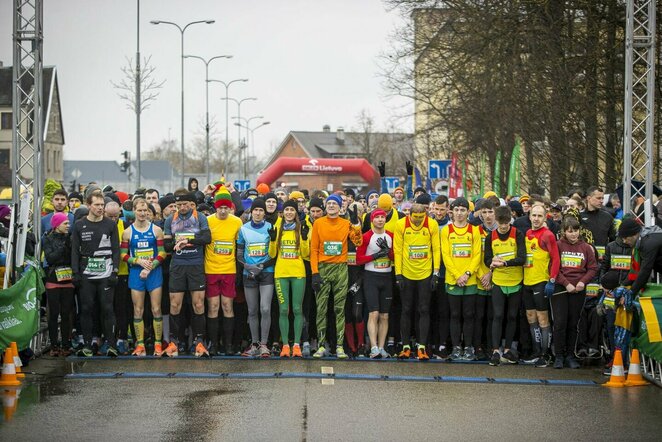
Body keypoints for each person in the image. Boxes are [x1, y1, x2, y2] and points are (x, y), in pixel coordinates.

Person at [310, 194, 363, 359]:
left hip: (341, 269)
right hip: (323, 269)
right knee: (321, 309)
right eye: (329, 203)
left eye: (335, 203)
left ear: (340, 207)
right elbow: (314, 250)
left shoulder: (346, 223)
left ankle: (340, 346)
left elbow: (358, 242)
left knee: (339, 310)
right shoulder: (318, 223)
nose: (332, 205)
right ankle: (321, 346)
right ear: (326, 206)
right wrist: (315, 273)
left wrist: (355, 224)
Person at [71, 190, 120, 357]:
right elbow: (75, 252)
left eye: (102, 205)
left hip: (106, 273)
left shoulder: (110, 224)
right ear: (88, 205)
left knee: (107, 308)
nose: (100, 208)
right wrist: (75, 272)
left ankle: (112, 345)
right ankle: (86, 344)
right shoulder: (79, 224)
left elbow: (116, 250)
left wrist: (115, 271)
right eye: (97, 205)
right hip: (86, 273)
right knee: (86, 309)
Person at [163, 189, 211, 357]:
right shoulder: (170, 219)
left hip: (196, 265)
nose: (182, 207)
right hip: (178, 266)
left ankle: (199, 341)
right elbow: (167, 247)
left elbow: (207, 239)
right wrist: (178, 242)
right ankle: (174, 342)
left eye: (184, 204)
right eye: (178, 204)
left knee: (198, 304)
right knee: (175, 304)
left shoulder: (200, 217)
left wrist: (187, 240)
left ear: (191, 204)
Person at [120, 198, 167, 357]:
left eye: (145, 211)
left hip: (153, 273)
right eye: (139, 210)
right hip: (136, 273)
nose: (142, 213)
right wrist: (138, 261)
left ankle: (158, 344)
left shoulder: (156, 230)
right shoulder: (127, 232)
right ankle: (140, 345)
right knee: (138, 310)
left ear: (149, 212)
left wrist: (150, 266)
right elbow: (123, 255)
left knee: (156, 309)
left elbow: (162, 253)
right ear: (134, 211)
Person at [393, 202, 440, 360]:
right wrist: (398, 274)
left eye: (421, 218)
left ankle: (422, 346)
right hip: (407, 273)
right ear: (409, 215)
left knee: (424, 309)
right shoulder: (401, 225)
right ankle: (406, 346)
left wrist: (436, 273)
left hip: (425, 274)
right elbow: (397, 250)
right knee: (406, 309)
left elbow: (436, 249)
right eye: (415, 218)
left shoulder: (431, 224)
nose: (418, 221)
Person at [551, 216, 598, 368]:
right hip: (561, 288)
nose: (573, 234)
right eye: (570, 231)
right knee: (560, 323)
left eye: (575, 231)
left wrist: (582, 282)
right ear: (564, 232)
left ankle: (570, 355)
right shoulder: (558, 245)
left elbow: (592, 268)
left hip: (578, 289)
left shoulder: (586, 248)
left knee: (573, 324)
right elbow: (553, 268)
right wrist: (566, 284)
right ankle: (558, 356)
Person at [441, 197, 482, 360]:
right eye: (456, 210)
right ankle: (457, 347)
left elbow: (477, 254)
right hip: (453, 280)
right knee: (455, 314)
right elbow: (446, 255)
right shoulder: (446, 231)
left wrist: (467, 274)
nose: (459, 213)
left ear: (468, 212)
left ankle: (469, 347)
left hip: (470, 280)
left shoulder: (474, 231)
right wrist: (457, 275)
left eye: (462, 210)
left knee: (469, 314)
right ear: (452, 212)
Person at [204, 186, 244, 356]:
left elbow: (240, 246)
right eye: (220, 207)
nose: (222, 211)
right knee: (213, 307)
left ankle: (228, 344)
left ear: (230, 207)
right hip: (211, 269)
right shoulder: (208, 221)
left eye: (226, 207)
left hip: (229, 270)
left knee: (227, 306)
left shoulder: (236, 222)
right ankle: (213, 344)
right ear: (215, 207)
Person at [484, 205, 526, 365]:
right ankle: (496, 350)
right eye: (500, 223)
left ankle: (508, 349)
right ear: (496, 221)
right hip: (499, 282)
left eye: (506, 223)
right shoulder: (491, 236)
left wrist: (505, 263)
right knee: (498, 315)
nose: (503, 226)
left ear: (510, 220)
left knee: (512, 316)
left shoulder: (517, 234)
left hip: (515, 281)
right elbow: (486, 259)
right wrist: (492, 262)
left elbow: (522, 258)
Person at [238, 198, 277, 358]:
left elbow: (275, 254)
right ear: (251, 212)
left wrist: (261, 266)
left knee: (265, 308)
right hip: (249, 274)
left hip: (266, 272)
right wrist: (249, 267)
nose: (258, 213)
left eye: (261, 210)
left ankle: (264, 345)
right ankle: (254, 344)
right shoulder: (243, 229)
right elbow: (239, 254)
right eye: (256, 210)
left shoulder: (271, 227)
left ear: (264, 213)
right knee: (252, 311)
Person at [522, 203, 560, 367]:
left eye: (539, 216)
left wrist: (552, 280)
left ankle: (545, 354)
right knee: (531, 317)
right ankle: (536, 351)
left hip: (541, 282)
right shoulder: (528, 233)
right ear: (529, 216)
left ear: (545, 218)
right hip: (527, 281)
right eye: (534, 215)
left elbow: (556, 259)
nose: (536, 219)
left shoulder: (548, 235)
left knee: (543, 318)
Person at [270, 199, 309, 357]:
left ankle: (297, 345)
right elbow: (272, 254)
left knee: (297, 309)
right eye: (286, 210)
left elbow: (306, 254)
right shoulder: (277, 227)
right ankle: (285, 345)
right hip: (281, 274)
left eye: (292, 210)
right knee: (284, 309)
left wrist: (305, 239)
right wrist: (273, 240)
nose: (289, 213)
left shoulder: (301, 228)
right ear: (283, 212)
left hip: (298, 273)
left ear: (295, 212)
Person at [356, 209, 394, 358]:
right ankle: (373, 347)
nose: (380, 220)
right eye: (377, 217)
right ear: (372, 220)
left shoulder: (390, 236)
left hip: (386, 277)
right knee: (374, 313)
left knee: (385, 316)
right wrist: (375, 255)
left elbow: (395, 257)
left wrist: (388, 252)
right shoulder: (366, 237)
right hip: (371, 277)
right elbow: (359, 259)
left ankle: (382, 347)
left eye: (382, 217)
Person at [43, 212, 75, 356]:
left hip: (68, 279)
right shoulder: (48, 239)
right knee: (53, 314)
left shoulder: (71, 238)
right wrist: (63, 246)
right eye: (65, 223)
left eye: (68, 223)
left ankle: (66, 345)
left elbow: (73, 257)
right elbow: (50, 258)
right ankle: (54, 345)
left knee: (67, 314)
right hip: (53, 279)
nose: (68, 225)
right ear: (57, 225)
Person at [580, 186, 616, 261]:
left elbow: (613, 240)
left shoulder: (607, 217)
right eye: (598, 198)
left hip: (602, 259)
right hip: (583, 258)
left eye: (602, 198)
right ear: (589, 198)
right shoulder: (579, 216)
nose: (602, 201)